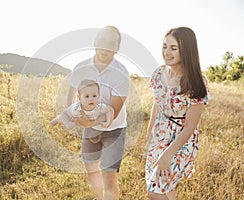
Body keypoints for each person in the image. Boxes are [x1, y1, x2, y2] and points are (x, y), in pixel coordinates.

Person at [145, 26, 209, 200]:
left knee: (154, 191)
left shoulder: (196, 82)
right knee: (166, 189)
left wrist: (168, 154)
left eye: (173, 48)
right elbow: (157, 105)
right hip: (159, 135)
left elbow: (190, 127)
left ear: (186, 51)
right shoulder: (159, 73)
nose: (167, 52)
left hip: (180, 141)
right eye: (165, 46)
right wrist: (150, 131)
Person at [67, 26, 130, 200]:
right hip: (89, 126)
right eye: (102, 41)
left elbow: (113, 113)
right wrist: (73, 116)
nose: (106, 47)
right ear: (95, 42)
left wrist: (84, 121)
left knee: (109, 175)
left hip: (114, 129)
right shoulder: (80, 68)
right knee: (91, 169)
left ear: (117, 48)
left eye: (111, 43)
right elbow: (71, 99)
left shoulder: (122, 73)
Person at [50, 79, 114, 132]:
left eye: (94, 96)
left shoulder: (100, 107)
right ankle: (55, 121)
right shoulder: (76, 109)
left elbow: (110, 110)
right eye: (87, 96)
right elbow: (65, 114)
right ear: (79, 98)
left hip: (86, 120)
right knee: (63, 119)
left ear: (99, 96)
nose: (91, 99)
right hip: (69, 115)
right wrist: (68, 123)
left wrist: (108, 123)